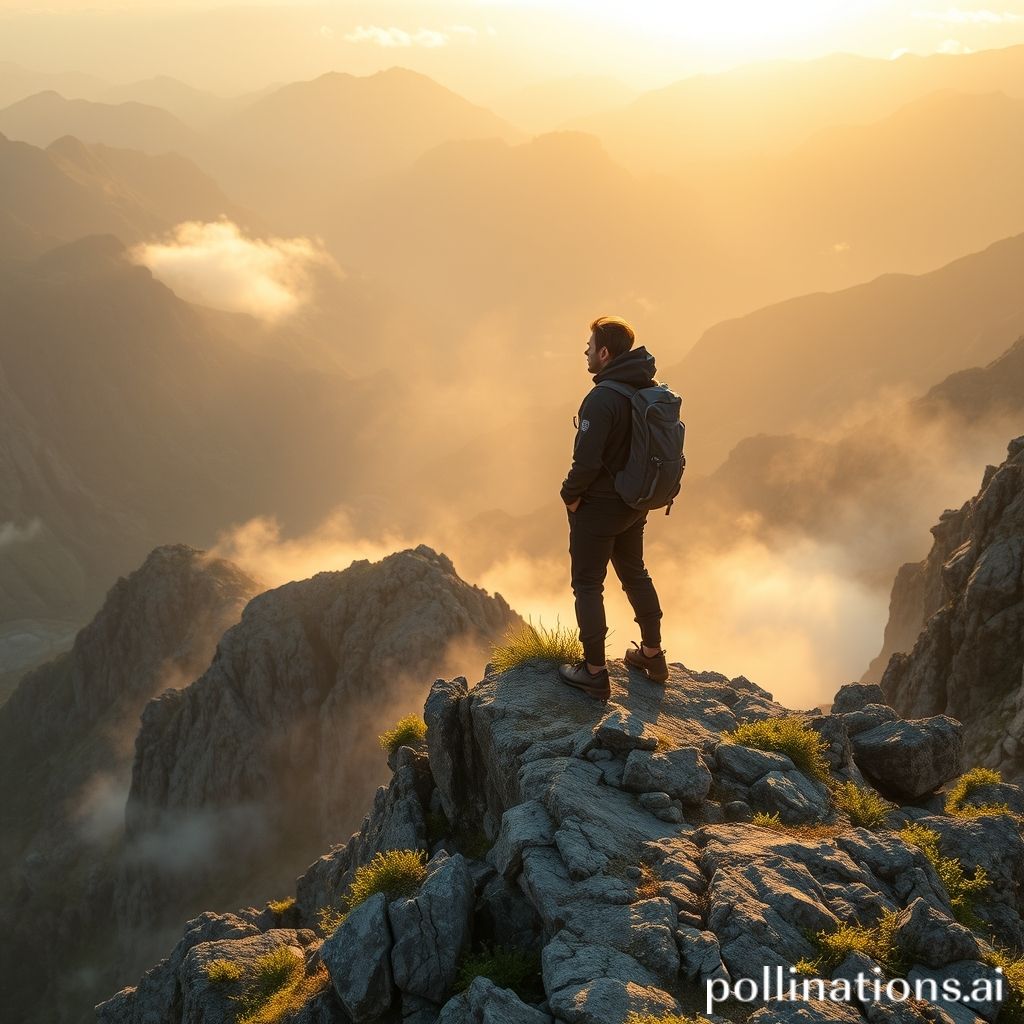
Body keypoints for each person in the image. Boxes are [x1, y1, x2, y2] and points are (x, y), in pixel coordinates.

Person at [558, 316, 668, 702]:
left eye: (589, 346)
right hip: (633, 505)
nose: (585, 352)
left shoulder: (602, 397)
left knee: (588, 584)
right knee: (634, 572)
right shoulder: (642, 389)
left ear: (604, 353)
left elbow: (585, 462)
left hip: (599, 508)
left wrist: (568, 495)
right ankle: (652, 656)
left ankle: (593, 673)